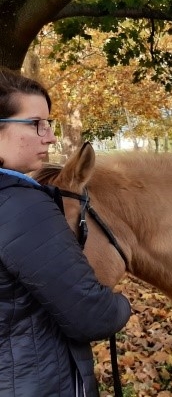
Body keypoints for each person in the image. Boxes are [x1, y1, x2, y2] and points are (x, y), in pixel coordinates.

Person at [0, 68, 132, 396]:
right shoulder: (19, 205)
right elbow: (93, 316)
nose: (49, 137)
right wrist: (121, 305)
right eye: (35, 123)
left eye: (48, 123)